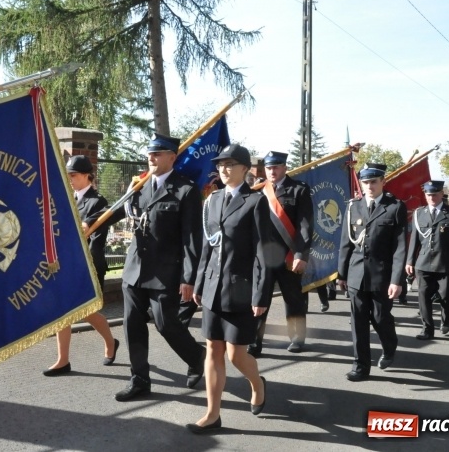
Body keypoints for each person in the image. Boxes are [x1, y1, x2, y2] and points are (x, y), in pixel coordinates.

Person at [105, 133, 205, 401]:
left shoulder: (186, 190)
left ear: (172, 157)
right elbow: (114, 212)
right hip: (135, 269)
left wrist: (188, 277)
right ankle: (139, 380)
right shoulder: (138, 186)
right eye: (150, 153)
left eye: (158, 153)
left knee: (165, 323)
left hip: (165, 271)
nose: (151, 157)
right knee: (132, 325)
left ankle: (197, 356)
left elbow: (192, 238)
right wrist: (89, 222)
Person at [188, 144, 274, 434]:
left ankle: (257, 383)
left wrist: (261, 294)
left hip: (241, 289)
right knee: (213, 349)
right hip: (213, 286)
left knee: (236, 355)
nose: (224, 169)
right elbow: (207, 247)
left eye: (230, 164)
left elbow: (264, 252)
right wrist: (199, 281)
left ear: (245, 169)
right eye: (221, 165)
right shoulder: (212, 200)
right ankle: (212, 414)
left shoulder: (255, 201)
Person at [43, 155, 119, 376]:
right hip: (66, 264)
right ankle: (63, 360)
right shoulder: (66, 198)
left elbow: (86, 231)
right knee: (63, 311)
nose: (70, 179)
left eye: (74, 175)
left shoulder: (98, 201)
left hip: (87, 266)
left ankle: (110, 342)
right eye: (68, 176)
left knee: (87, 312)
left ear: (88, 175)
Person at [338, 163, 407, 382]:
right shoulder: (353, 207)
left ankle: (389, 346)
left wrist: (396, 280)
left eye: (373, 181)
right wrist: (341, 274)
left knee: (380, 318)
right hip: (356, 274)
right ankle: (360, 366)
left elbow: (399, 248)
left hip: (382, 275)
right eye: (365, 182)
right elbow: (346, 244)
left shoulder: (394, 207)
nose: (369, 186)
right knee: (358, 322)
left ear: (382, 182)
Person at [249, 151, 313, 355]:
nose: (272, 171)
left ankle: (296, 338)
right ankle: (254, 340)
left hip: (288, 255)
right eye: (268, 167)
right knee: (259, 298)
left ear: (285, 167)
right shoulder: (257, 191)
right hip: (263, 256)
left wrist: (300, 255)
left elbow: (305, 226)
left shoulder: (298, 190)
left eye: (276, 167)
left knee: (293, 299)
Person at [405, 181, 449, 340]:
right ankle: (427, 329)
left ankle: (446, 321)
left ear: (441, 195)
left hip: (445, 264)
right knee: (423, 298)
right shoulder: (419, 213)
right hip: (423, 263)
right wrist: (410, 261)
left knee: (446, 296)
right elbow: (414, 241)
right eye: (428, 194)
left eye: (435, 194)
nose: (431, 197)